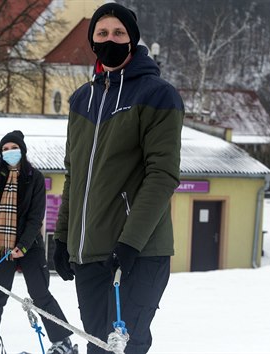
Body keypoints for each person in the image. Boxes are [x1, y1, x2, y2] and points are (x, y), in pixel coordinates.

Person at [52, 3, 184, 354]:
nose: (110, 39)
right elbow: (73, 176)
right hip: (89, 255)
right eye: (102, 33)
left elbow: (163, 174)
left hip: (137, 254)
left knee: (125, 346)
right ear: (93, 42)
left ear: (132, 39)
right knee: (98, 346)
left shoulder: (157, 94)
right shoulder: (82, 99)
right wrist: (62, 237)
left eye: (119, 33)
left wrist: (130, 243)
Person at [0, 130, 74, 354]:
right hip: (0, 248)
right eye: (4, 149)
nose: (9, 152)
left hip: (30, 246)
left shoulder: (34, 177)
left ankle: (62, 342)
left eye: (13, 148)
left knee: (40, 294)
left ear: (22, 151)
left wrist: (23, 245)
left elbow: (36, 217)